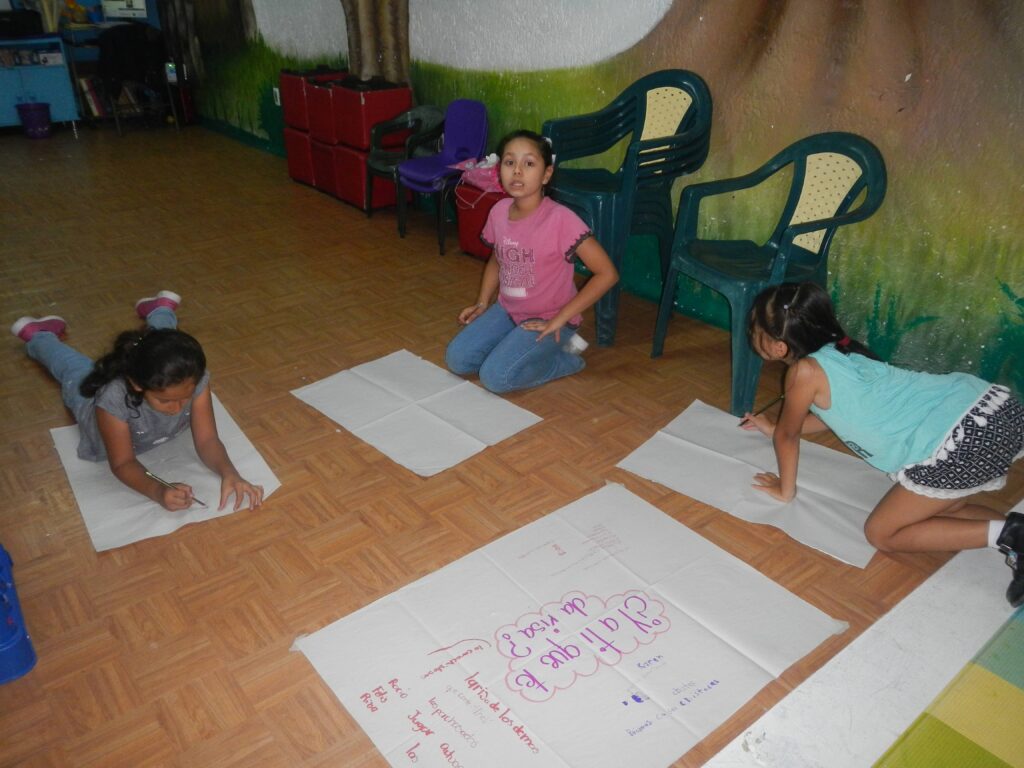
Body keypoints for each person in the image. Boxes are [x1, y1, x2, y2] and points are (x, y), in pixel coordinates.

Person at [741, 281, 1024, 606]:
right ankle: (1014, 533)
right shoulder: (842, 350)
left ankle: (1011, 536)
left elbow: (787, 437)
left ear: (779, 347)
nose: (751, 332)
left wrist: (785, 489)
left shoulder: (803, 372)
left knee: (882, 533)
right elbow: (835, 417)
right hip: (989, 412)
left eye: (755, 328)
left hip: (962, 439)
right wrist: (775, 427)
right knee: (951, 507)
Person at [11, 291, 264, 512]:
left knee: (166, 346)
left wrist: (230, 473)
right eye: (165, 401)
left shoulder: (191, 378)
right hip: (89, 401)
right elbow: (123, 463)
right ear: (137, 384)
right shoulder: (112, 398)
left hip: (151, 365)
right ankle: (39, 336)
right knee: (74, 367)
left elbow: (207, 439)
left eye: (185, 398)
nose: (177, 409)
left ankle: (160, 310)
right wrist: (158, 491)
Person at [445, 129, 618, 393]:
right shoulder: (498, 211)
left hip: (549, 318)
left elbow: (607, 274)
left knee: (495, 378)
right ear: (499, 170)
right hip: (508, 310)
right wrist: (482, 302)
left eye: (528, 163)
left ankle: (564, 359)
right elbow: (497, 259)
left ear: (546, 174)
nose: (517, 171)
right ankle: (517, 345)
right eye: (509, 162)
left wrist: (559, 319)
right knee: (457, 359)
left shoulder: (561, 219)